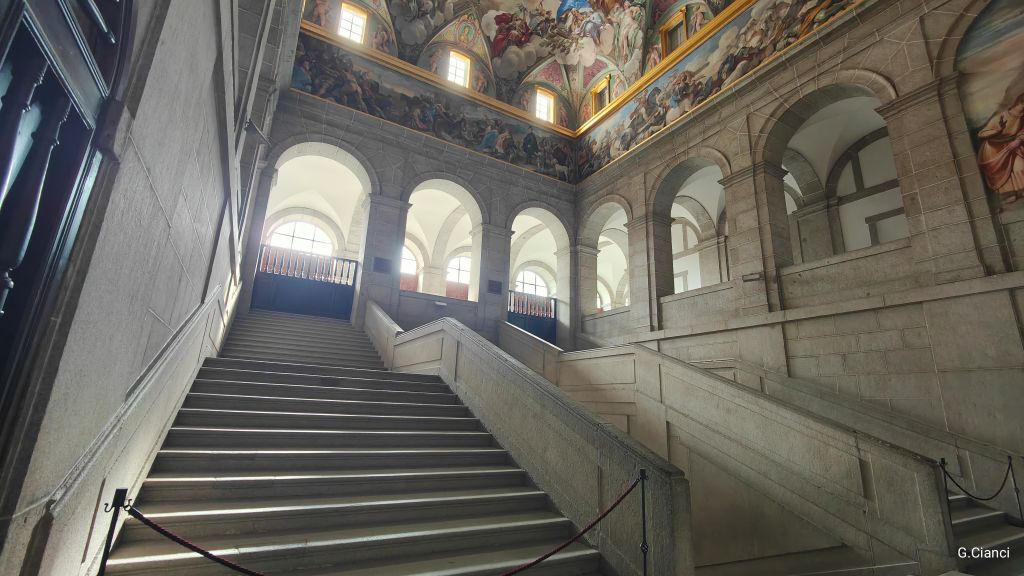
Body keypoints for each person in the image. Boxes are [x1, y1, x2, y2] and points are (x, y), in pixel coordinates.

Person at [977, 92, 1024, 205]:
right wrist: (998, 130)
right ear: (1019, 103)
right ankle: (1009, 194)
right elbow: (982, 134)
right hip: (994, 150)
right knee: (1001, 173)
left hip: (1013, 146)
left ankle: (1021, 190)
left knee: (1020, 165)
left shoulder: (1022, 118)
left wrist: (1018, 140)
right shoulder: (1000, 117)